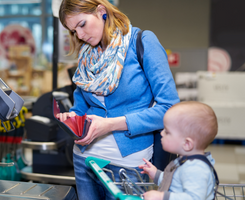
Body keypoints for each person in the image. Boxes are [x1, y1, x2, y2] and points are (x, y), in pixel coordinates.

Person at [57, 0, 180, 199]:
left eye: (81, 25)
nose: (79, 35)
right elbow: (81, 106)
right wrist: (72, 117)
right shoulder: (86, 55)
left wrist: (111, 125)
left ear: (101, 11)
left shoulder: (141, 42)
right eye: (73, 31)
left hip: (129, 164)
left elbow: (170, 108)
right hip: (84, 158)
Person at [139, 101, 218, 200]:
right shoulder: (186, 160)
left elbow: (194, 198)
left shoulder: (195, 168)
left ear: (187, 144)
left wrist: (162, 196)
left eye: (167, 131)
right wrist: (157, 174)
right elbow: (176, 181)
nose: (162, 133)